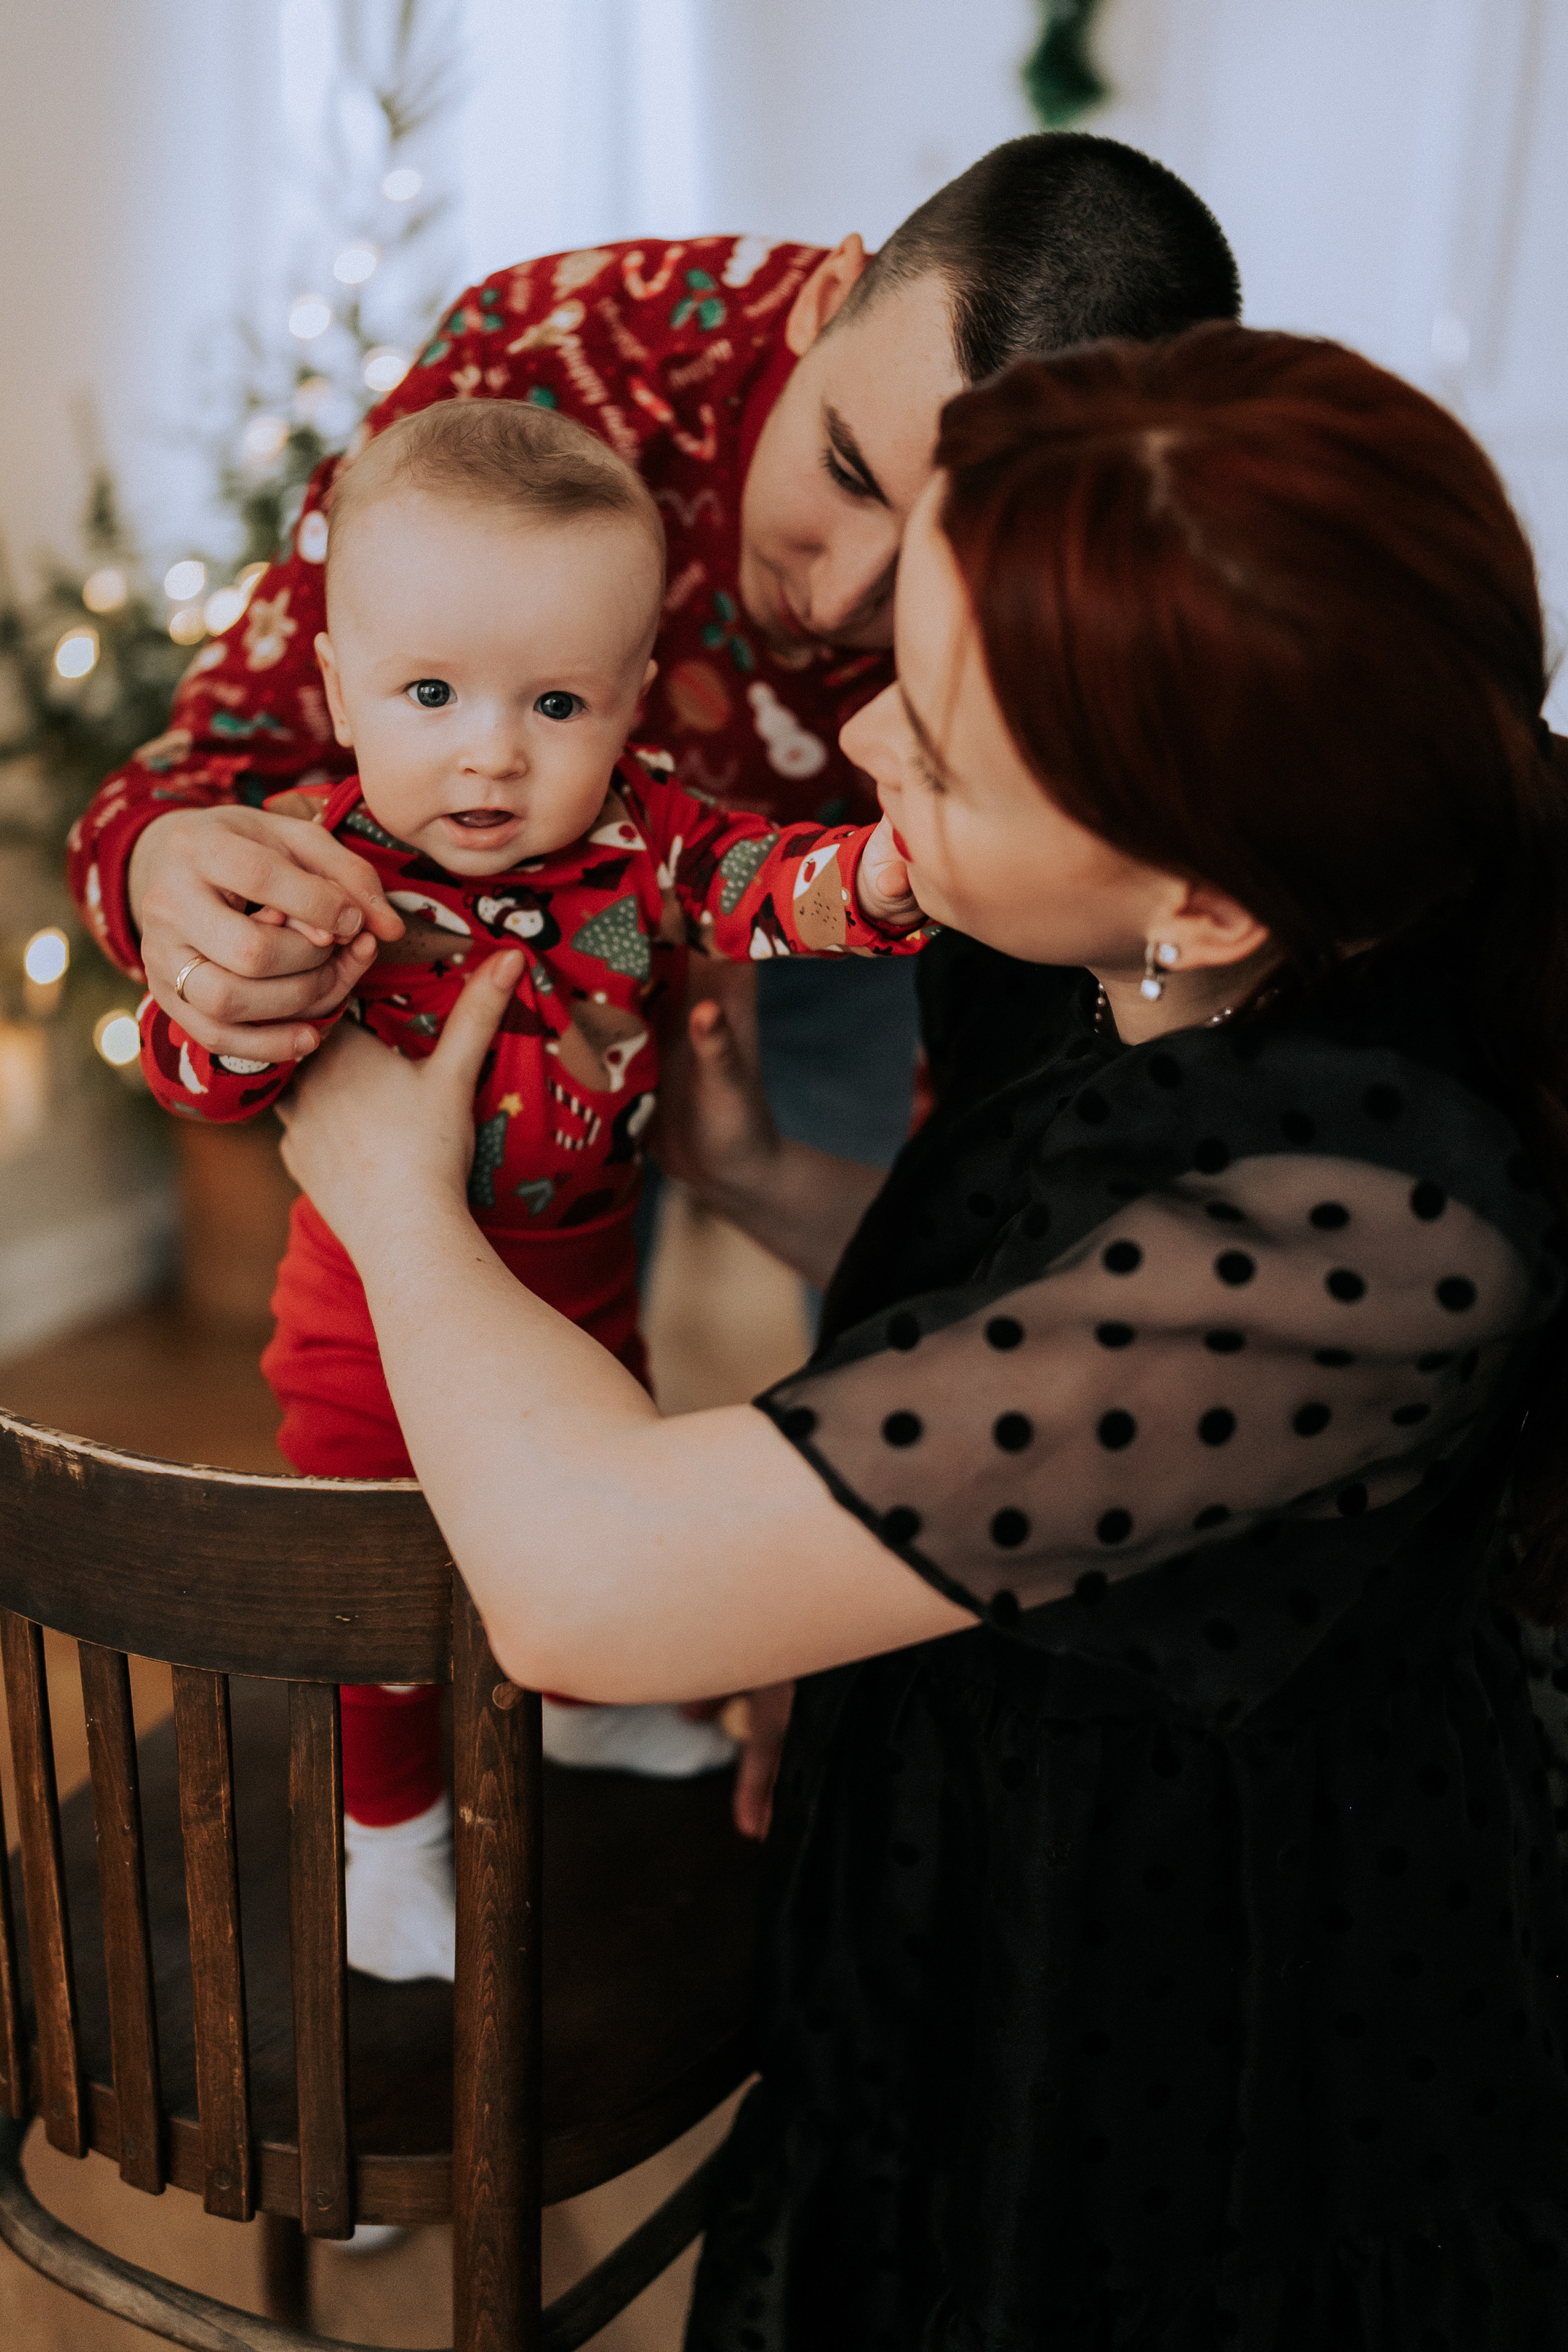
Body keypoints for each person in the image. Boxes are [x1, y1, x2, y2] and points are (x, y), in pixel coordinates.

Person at [273, 321, 1568, 2343]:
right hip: (947, 1847)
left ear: (1205, 894)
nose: (863, 743)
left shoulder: (1377, 1238)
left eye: (940, 742)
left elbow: (589, 1592)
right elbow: (1037, 1337)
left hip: (1174, 2007)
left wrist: (385, 1193)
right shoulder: (1092, 974)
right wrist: (765, 1177)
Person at [69, 133, 1241, 1216]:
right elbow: (214, 762)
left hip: (862, 921)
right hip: (462, 978)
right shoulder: (549, 358)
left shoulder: (1136, 556)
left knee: (897, 1263)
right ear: (826, 301)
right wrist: (166, 876)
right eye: (844, 470)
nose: (840, 606)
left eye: (955, 558)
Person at [138, 395, 926, 1982]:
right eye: (431, 693)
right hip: (370, 1331)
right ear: (344, 689)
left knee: (591, 1494)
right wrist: (244, 1004)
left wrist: (890, 882)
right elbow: (198, 1063)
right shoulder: (316, 869)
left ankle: (597, 1701)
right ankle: (388, 1850)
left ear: (633, 699)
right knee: (393, 1605)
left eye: (556, 701)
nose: (492, 750)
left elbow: (768, 885)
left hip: (583, 1297)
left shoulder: (645, 844)